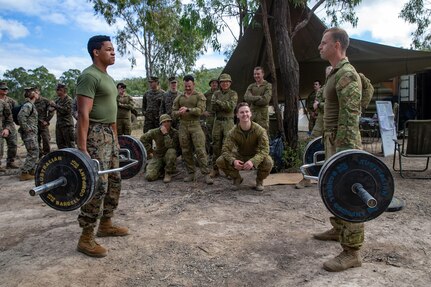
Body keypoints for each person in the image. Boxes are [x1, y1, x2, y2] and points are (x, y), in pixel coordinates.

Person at [314, 27, 364, 272]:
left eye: (323, 43)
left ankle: (351, 252)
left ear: (336, 45)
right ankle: (338, 228)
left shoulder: (347, 74)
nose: (319, 46)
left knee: (350, 194)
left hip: (344, 142)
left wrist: (346, 150)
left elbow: (351, 113)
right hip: (332, 139)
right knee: (334, 189)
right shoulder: (333, 74)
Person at [75, 35, 128, 258]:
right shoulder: (89, 76)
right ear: (96, 52)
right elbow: (83, 115)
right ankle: (86, 237)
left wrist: (115, 137)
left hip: (109, 135)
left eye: (114, 49)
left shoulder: (107, 77)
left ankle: (106, 224)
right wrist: (82, 148)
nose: (113, 52)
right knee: (97, 185)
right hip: (95, 135)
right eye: (109, 49)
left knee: (114, 181)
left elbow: (111, 112)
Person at [216, 102, 273, 191]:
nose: (244, 114)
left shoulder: (260, 130)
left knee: (268, 161)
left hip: (255, 155)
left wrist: (253, 161)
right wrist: (233, 161)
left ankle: (259, 180)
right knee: (220, 161)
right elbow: (225, 150)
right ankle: (236, 178)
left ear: (250, 113)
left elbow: (265, 149)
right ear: (237, 115)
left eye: (247, 112)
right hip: (240, 155)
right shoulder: (233, 132)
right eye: (241, 112)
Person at [172, 74, 213, 184]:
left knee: (200, 150)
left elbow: (200, 111)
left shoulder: (199, 96)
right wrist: (178, 113)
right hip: (183, 126)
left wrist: (188, 110)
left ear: (193, 84)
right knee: (186, 150)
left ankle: (206, 174)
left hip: (195, 125)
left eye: (189, 86)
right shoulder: (179, 98)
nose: (188, 88)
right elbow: (173, 113)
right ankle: (191, 173)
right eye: (186, 86)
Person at [296, 66, 332, 189]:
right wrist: (322, 105)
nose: (330, 74)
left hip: (336, 122)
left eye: (332, 72)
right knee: (311, 146)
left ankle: (333, 179)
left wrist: (322, 104)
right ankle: (306, 177)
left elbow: (333, 104)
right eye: (328, 73)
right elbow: (316, 105)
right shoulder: (322, 90)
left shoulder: (341, 86)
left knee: (336, 148)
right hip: (321, 121)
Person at [210, 73, 237, 177]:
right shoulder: (216, 93)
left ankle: (229, 170)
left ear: (230, 83)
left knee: (228, 146)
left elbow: (231, 107)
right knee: (215, 145)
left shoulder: (233, 94)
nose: (225, 83)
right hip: (217, 122)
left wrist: (219, 103)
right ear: (220, 83)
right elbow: (213, 107)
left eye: (227, 81)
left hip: (229, 122)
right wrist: (223, 104)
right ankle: (215, 169)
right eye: (222, 82)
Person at [140, 114, 179, 183]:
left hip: (168, 155)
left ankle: (168, 172)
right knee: (149, 177)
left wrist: (166, 134)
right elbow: (143, 139)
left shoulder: (175, 133)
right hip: (158, 155)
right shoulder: (155, 131)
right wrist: (150, 151)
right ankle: (160, 170)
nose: (166, 123)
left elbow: (170, 146)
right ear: (161, 124)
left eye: (168, 121)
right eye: (164, 122)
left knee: (171, 151)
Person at [17, 88, 39, 181]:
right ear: (33, 95)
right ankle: (24, 173)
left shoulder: (31, 105)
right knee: (33, 151)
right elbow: (20, 117)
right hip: (29, 133)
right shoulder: (28, 105)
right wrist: (27, 129)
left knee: (34, 151)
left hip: (31, 133)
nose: (39, 94)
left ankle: (31, 170)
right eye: (37, 93)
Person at [244, 66, 272, 131]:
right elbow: (246, 98)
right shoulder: (251, 86)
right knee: (251, 134)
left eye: (258, 74)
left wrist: (252, 99)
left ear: (263, 74)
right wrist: (258, 97)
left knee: (263, 136)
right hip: (252, 115)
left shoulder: (268, 85)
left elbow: (265, 100)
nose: (256, 76)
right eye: (255, 74)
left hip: (262, 116)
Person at [0, 82, 19, 170]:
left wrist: (7, 128)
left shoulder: (11, 101)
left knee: (13, 144)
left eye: (6, 89)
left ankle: (10, 162)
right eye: (3, 89)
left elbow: (13, 115)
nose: (5, 90)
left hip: (9, 125)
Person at [50, 83, 75, 149]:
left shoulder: (69, 100)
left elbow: (66, 111)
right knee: (60, 144)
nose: (57, 91)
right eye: (57, 90)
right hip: (59, 125)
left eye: (58, 90)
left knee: (70, 144)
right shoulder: (58, 100)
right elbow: (52, 108)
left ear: (63, 90)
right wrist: (51, 108)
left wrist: (55, 106)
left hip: (67, 125)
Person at [34, 88, 54, 157]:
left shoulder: (45, 101)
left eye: (36, 92)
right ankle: (39, 155)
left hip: (43, 124)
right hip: (34, 124)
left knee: (46, 139)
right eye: (33, 92)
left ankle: (47, 155)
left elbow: (52, 110)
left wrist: (47, 120)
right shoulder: (31, 101)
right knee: (36, 140)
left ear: (39, 92)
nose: (34, 94)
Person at [202, 78, 219, 157]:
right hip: (210, 117)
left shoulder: (221, 93)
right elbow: (201, 104)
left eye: (216, 83)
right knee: (209, 136)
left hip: (219, 116)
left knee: (217, 136)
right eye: (212, 83)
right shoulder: (206, 94)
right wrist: (203, 111)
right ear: (210, 84)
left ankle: (217, 154)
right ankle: (209, 154)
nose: (214, 84)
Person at [0, 98, 14, 172]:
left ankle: (10, 163)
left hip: (1, 129)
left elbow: (9, 117)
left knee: (1, 148)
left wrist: (7, 128)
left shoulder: (2, 103)